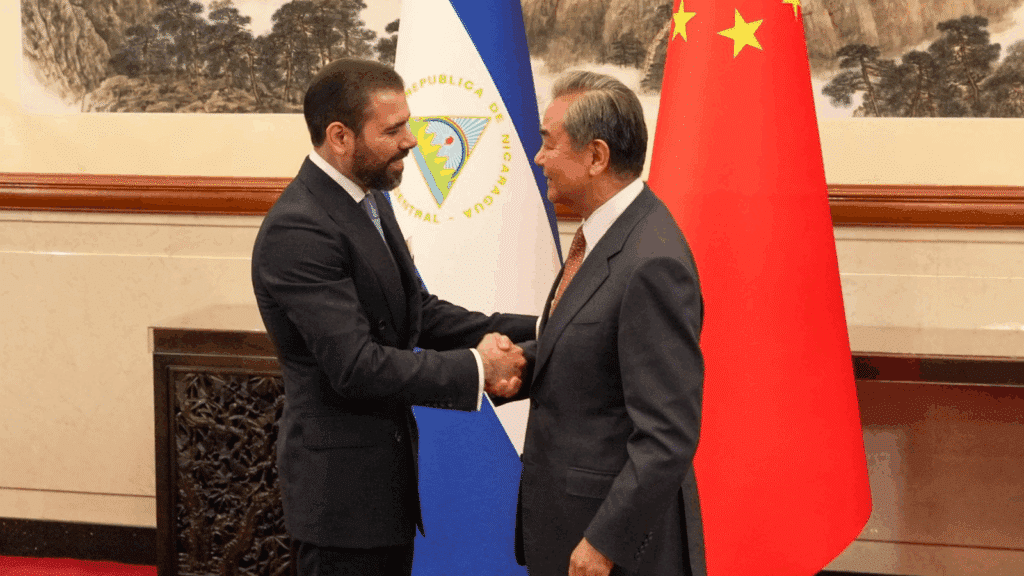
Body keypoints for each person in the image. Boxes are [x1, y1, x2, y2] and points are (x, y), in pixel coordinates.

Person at [251, 58, 534, 576]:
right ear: (340, 137)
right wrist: (479, 369)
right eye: (394, 129)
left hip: (383, 489)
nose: (412, 141)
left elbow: (416, 313)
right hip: (341, 502)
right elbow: (357, 365)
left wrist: (544, 326)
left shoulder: (370, 200)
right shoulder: (300, 229)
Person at [506, 70, 707, 576]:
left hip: (614, 551)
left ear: (596, 157)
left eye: (549, 145)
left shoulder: (651, 259)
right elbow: (592, 352)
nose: (539, 159)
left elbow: (667, 434)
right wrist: (514, 365)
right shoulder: (606, 238)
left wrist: (603, 543)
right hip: (567, 527)